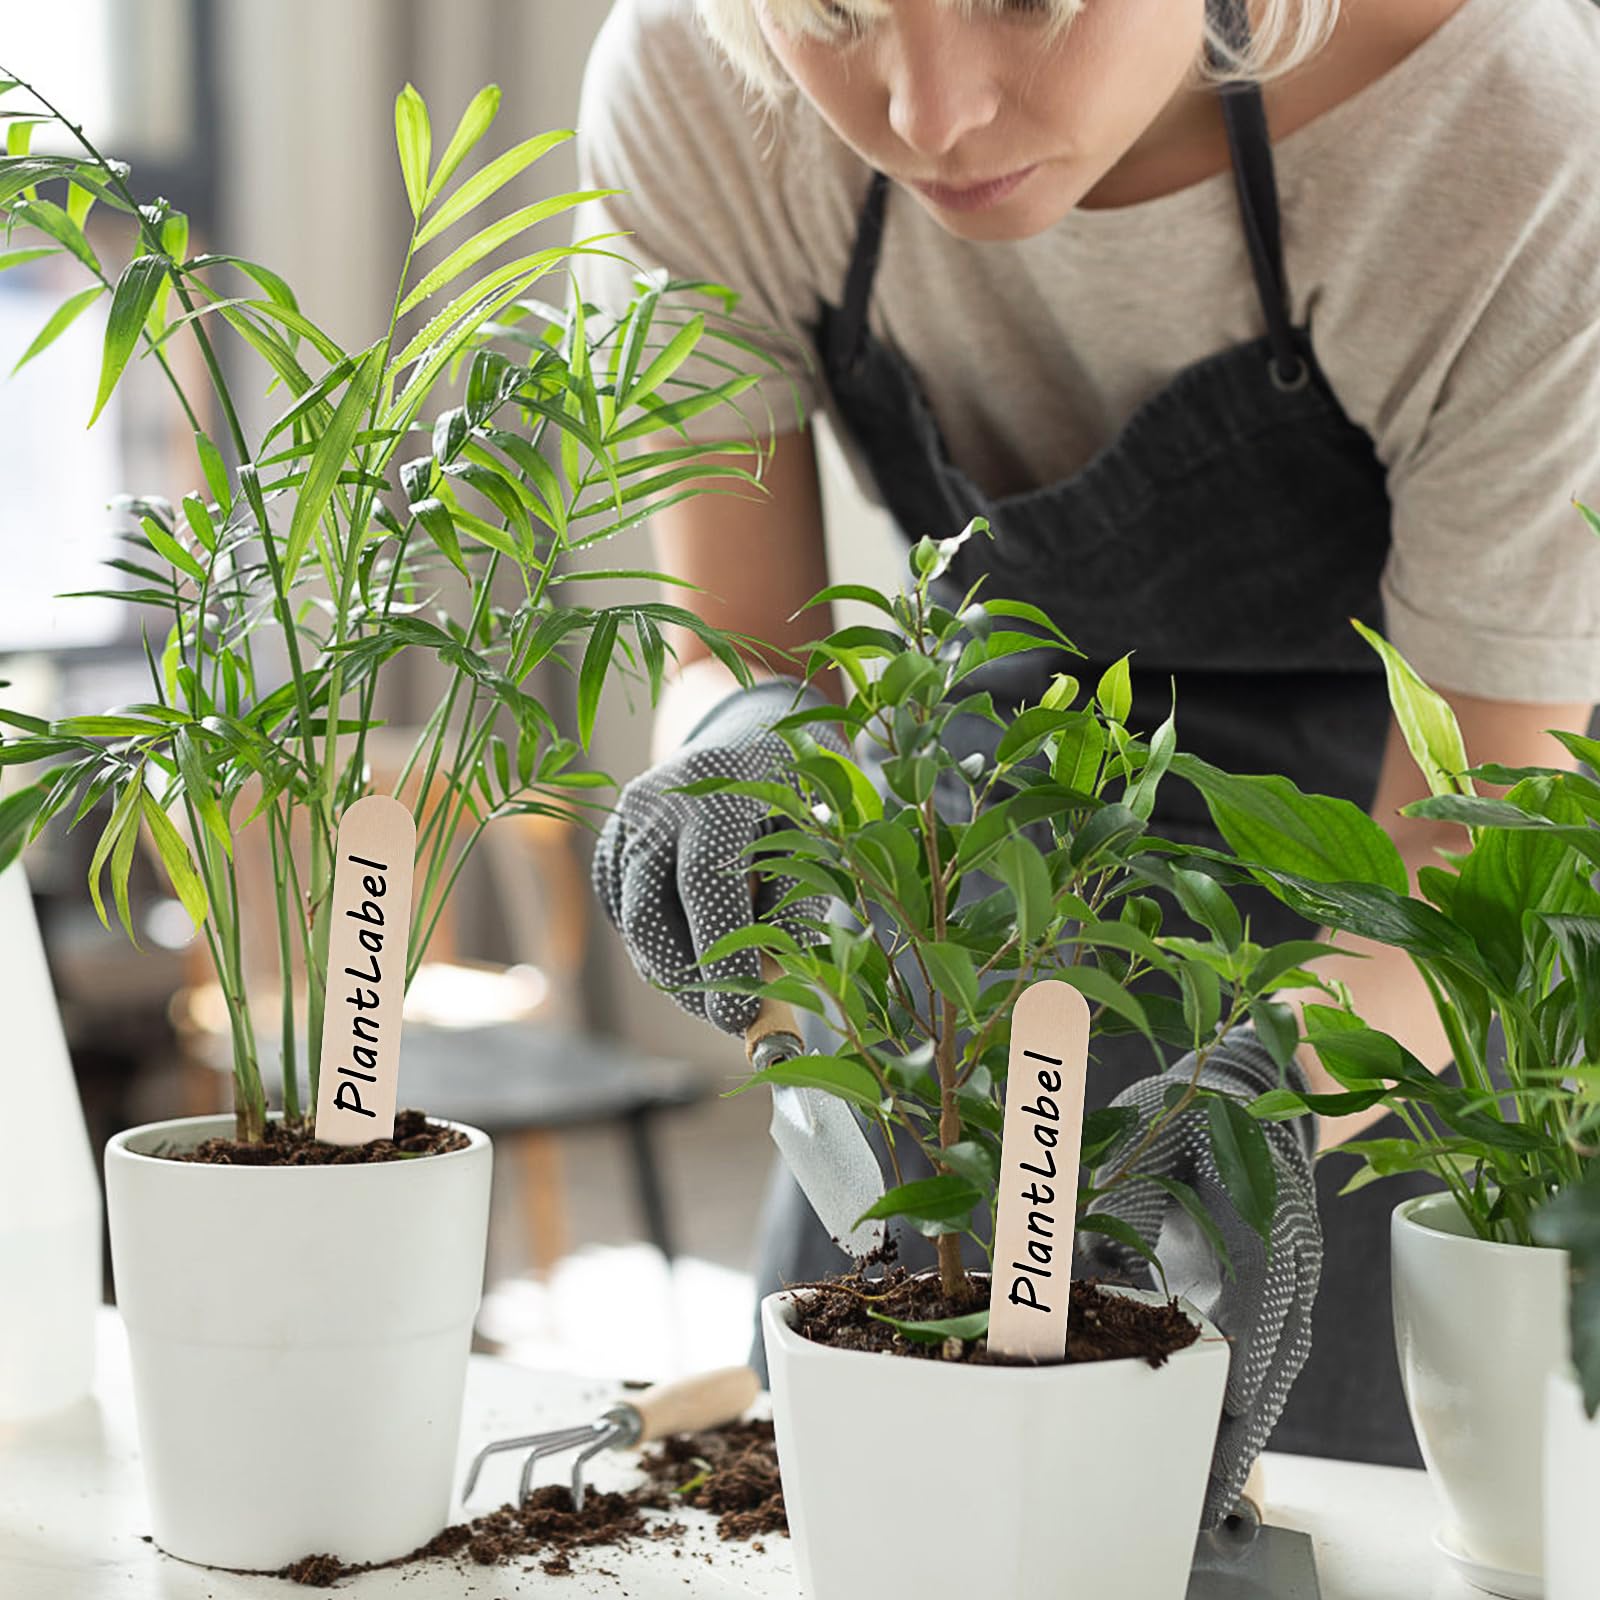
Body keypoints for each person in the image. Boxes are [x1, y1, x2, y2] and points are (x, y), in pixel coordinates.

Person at [575, 0, 1600, 1509]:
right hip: (980, 891)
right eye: (832, 13)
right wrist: (745, 750)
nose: (928, 113)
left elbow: (1482, 827)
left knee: (1323, 1522)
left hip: (1385, 952)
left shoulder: (1497, 128)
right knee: (886, 1505)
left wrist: (1273, 1093)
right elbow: (743, 635)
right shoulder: (694, 82)